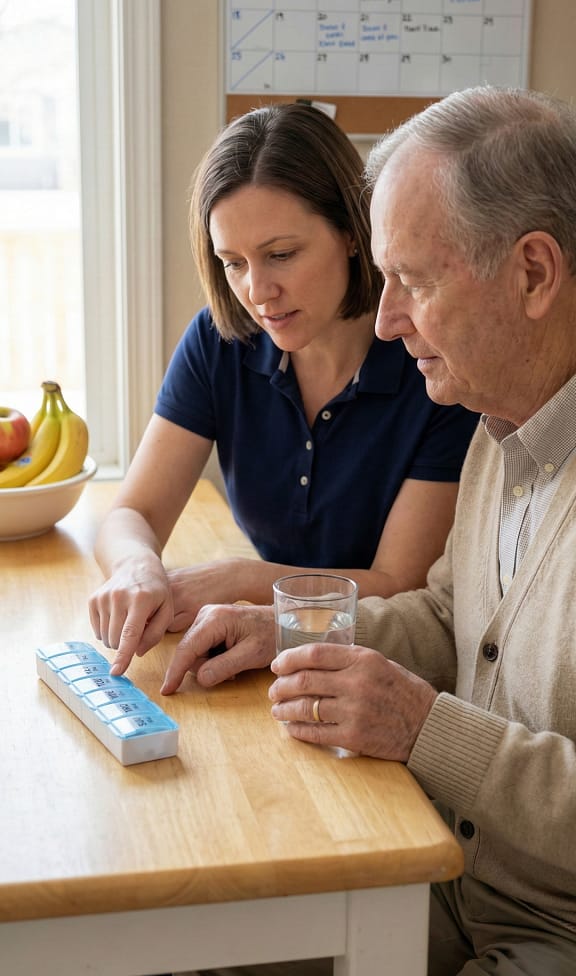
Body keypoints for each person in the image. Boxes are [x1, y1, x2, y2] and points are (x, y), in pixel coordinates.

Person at [155, 86, 576, 976]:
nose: (386, 319)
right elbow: (446, 616)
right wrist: (290, 628)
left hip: (554, 928)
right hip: (443, 874)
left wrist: (427, 730)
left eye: (413, 282)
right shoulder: (497, 425)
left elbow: (441, 718)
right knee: (182, 937)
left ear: (534, 273)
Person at [89, 103, 477, 674]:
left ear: (353, 233)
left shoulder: (432, 362)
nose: (257, 291)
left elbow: (402, 587)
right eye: (233, 263)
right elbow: (132, 513)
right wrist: (136, 567)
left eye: (281, 255)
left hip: (381, 669)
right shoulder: (220, 341)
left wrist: (244, 580)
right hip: (264, 655)